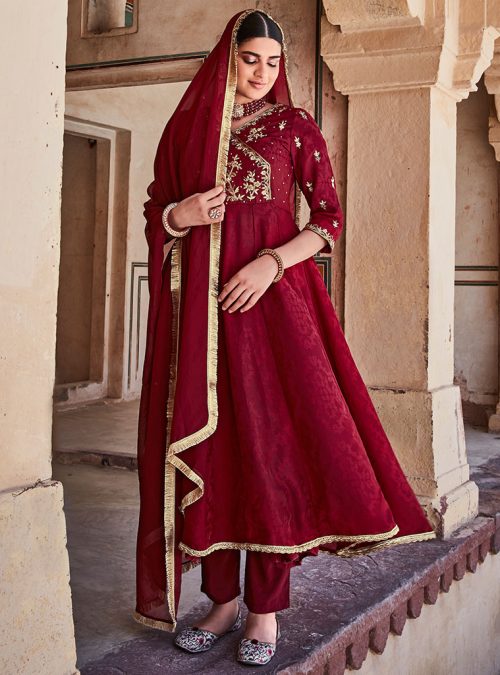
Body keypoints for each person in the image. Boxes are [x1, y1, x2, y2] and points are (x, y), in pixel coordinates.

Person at [133, 8, 436, 666]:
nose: (262, 74)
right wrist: (179, 215)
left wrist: (271, 263)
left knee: (269, 451)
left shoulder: (295, 128)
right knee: (214, 453)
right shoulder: (189, 127)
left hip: (271, 310)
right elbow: (158, 204)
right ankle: (219, 599)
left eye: (273, 63)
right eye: (251, 60)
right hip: (203, 320)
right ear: (228, 58)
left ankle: (264, 608)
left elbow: (327, 216)